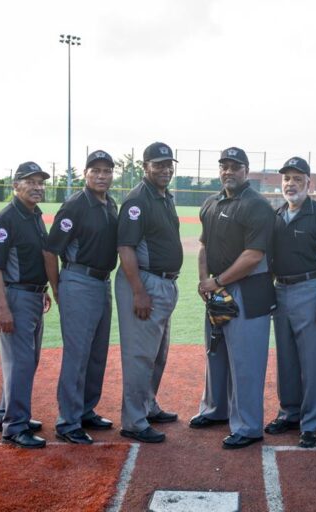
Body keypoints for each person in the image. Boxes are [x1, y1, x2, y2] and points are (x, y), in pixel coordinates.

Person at [191, 147, 276, 449]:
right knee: (216, 353)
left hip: (249, 290)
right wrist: (206, 282)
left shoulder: (257, 206)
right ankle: (216, 410)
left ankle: (248, 426)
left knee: (245, 362)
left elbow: (253, 256)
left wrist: (217, 282)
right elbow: (203, 245)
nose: (229, 171)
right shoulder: (211, 203)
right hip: (217, 288)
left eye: (235, 166)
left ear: (246, 170)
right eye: (224, 166)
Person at [265, 157, 316, 449]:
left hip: (311, 288)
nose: (291, 184)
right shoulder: (277, 214)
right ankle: (290, 413)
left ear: (309, 183)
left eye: (297, 179)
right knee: (286, 358)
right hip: (281, 289)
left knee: (312, 361)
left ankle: (310, 423)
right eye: (287, 179)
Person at [44, 150, 119, 445]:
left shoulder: (109, 203)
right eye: (96, 170)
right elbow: (50, 250)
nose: (102, 175)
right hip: (78, 280)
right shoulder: (75, 204)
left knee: (97, 353)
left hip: (102, 282)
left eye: (107, 171)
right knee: (77, 355)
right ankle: (68, 420)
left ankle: (86, 410)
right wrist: (58, 288)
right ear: (85, 174)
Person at [116, 142, 182, 444]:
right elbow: (125, 248)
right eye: (158, 164)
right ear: (145, 167)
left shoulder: (164, 197)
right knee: (140, 355)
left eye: (169, 164)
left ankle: (148, 404)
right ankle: (133, 420)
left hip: (164, 283)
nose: (165, 169)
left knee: (158, 354)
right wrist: (138, 291)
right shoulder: (137, 200)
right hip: (144, 283)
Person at [0, 162, 51, 449]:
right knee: (21, 362)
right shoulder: (6, 219)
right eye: (31, 182)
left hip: (34, 295)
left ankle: (4, 413)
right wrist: (3, 308)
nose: (37, 187)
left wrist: (44, 289)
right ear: (16, 185)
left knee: (26, 361)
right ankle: (15, 427)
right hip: (16, 297)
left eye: (41, 182)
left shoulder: (35, 215)